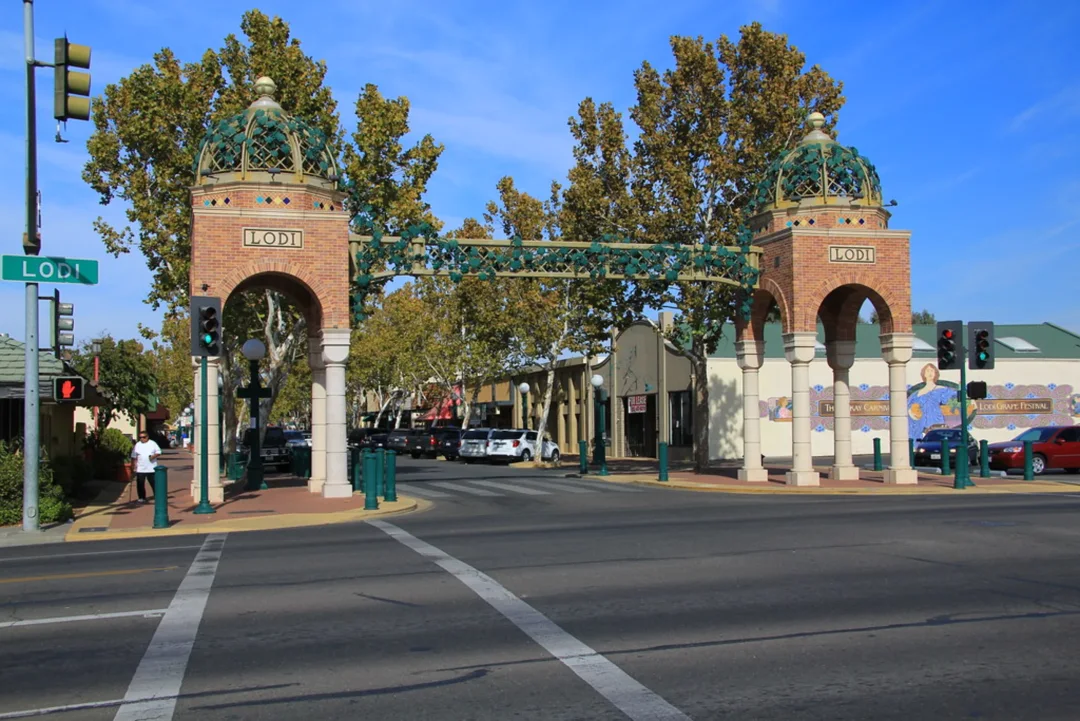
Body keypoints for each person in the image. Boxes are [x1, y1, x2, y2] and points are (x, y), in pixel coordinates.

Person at [130, 430, 162, 504]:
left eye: (143, 437)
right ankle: (141, 497)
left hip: (151, 468)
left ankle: (157, 497)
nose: (142, 439)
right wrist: (133, 466)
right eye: (140, 437)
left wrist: (153, 457)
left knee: (153, 483)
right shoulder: (137, 445)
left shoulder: (152, 443)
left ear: (147, 437)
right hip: (141, 468)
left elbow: (159, 452)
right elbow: (133, 456)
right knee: (140, 484)